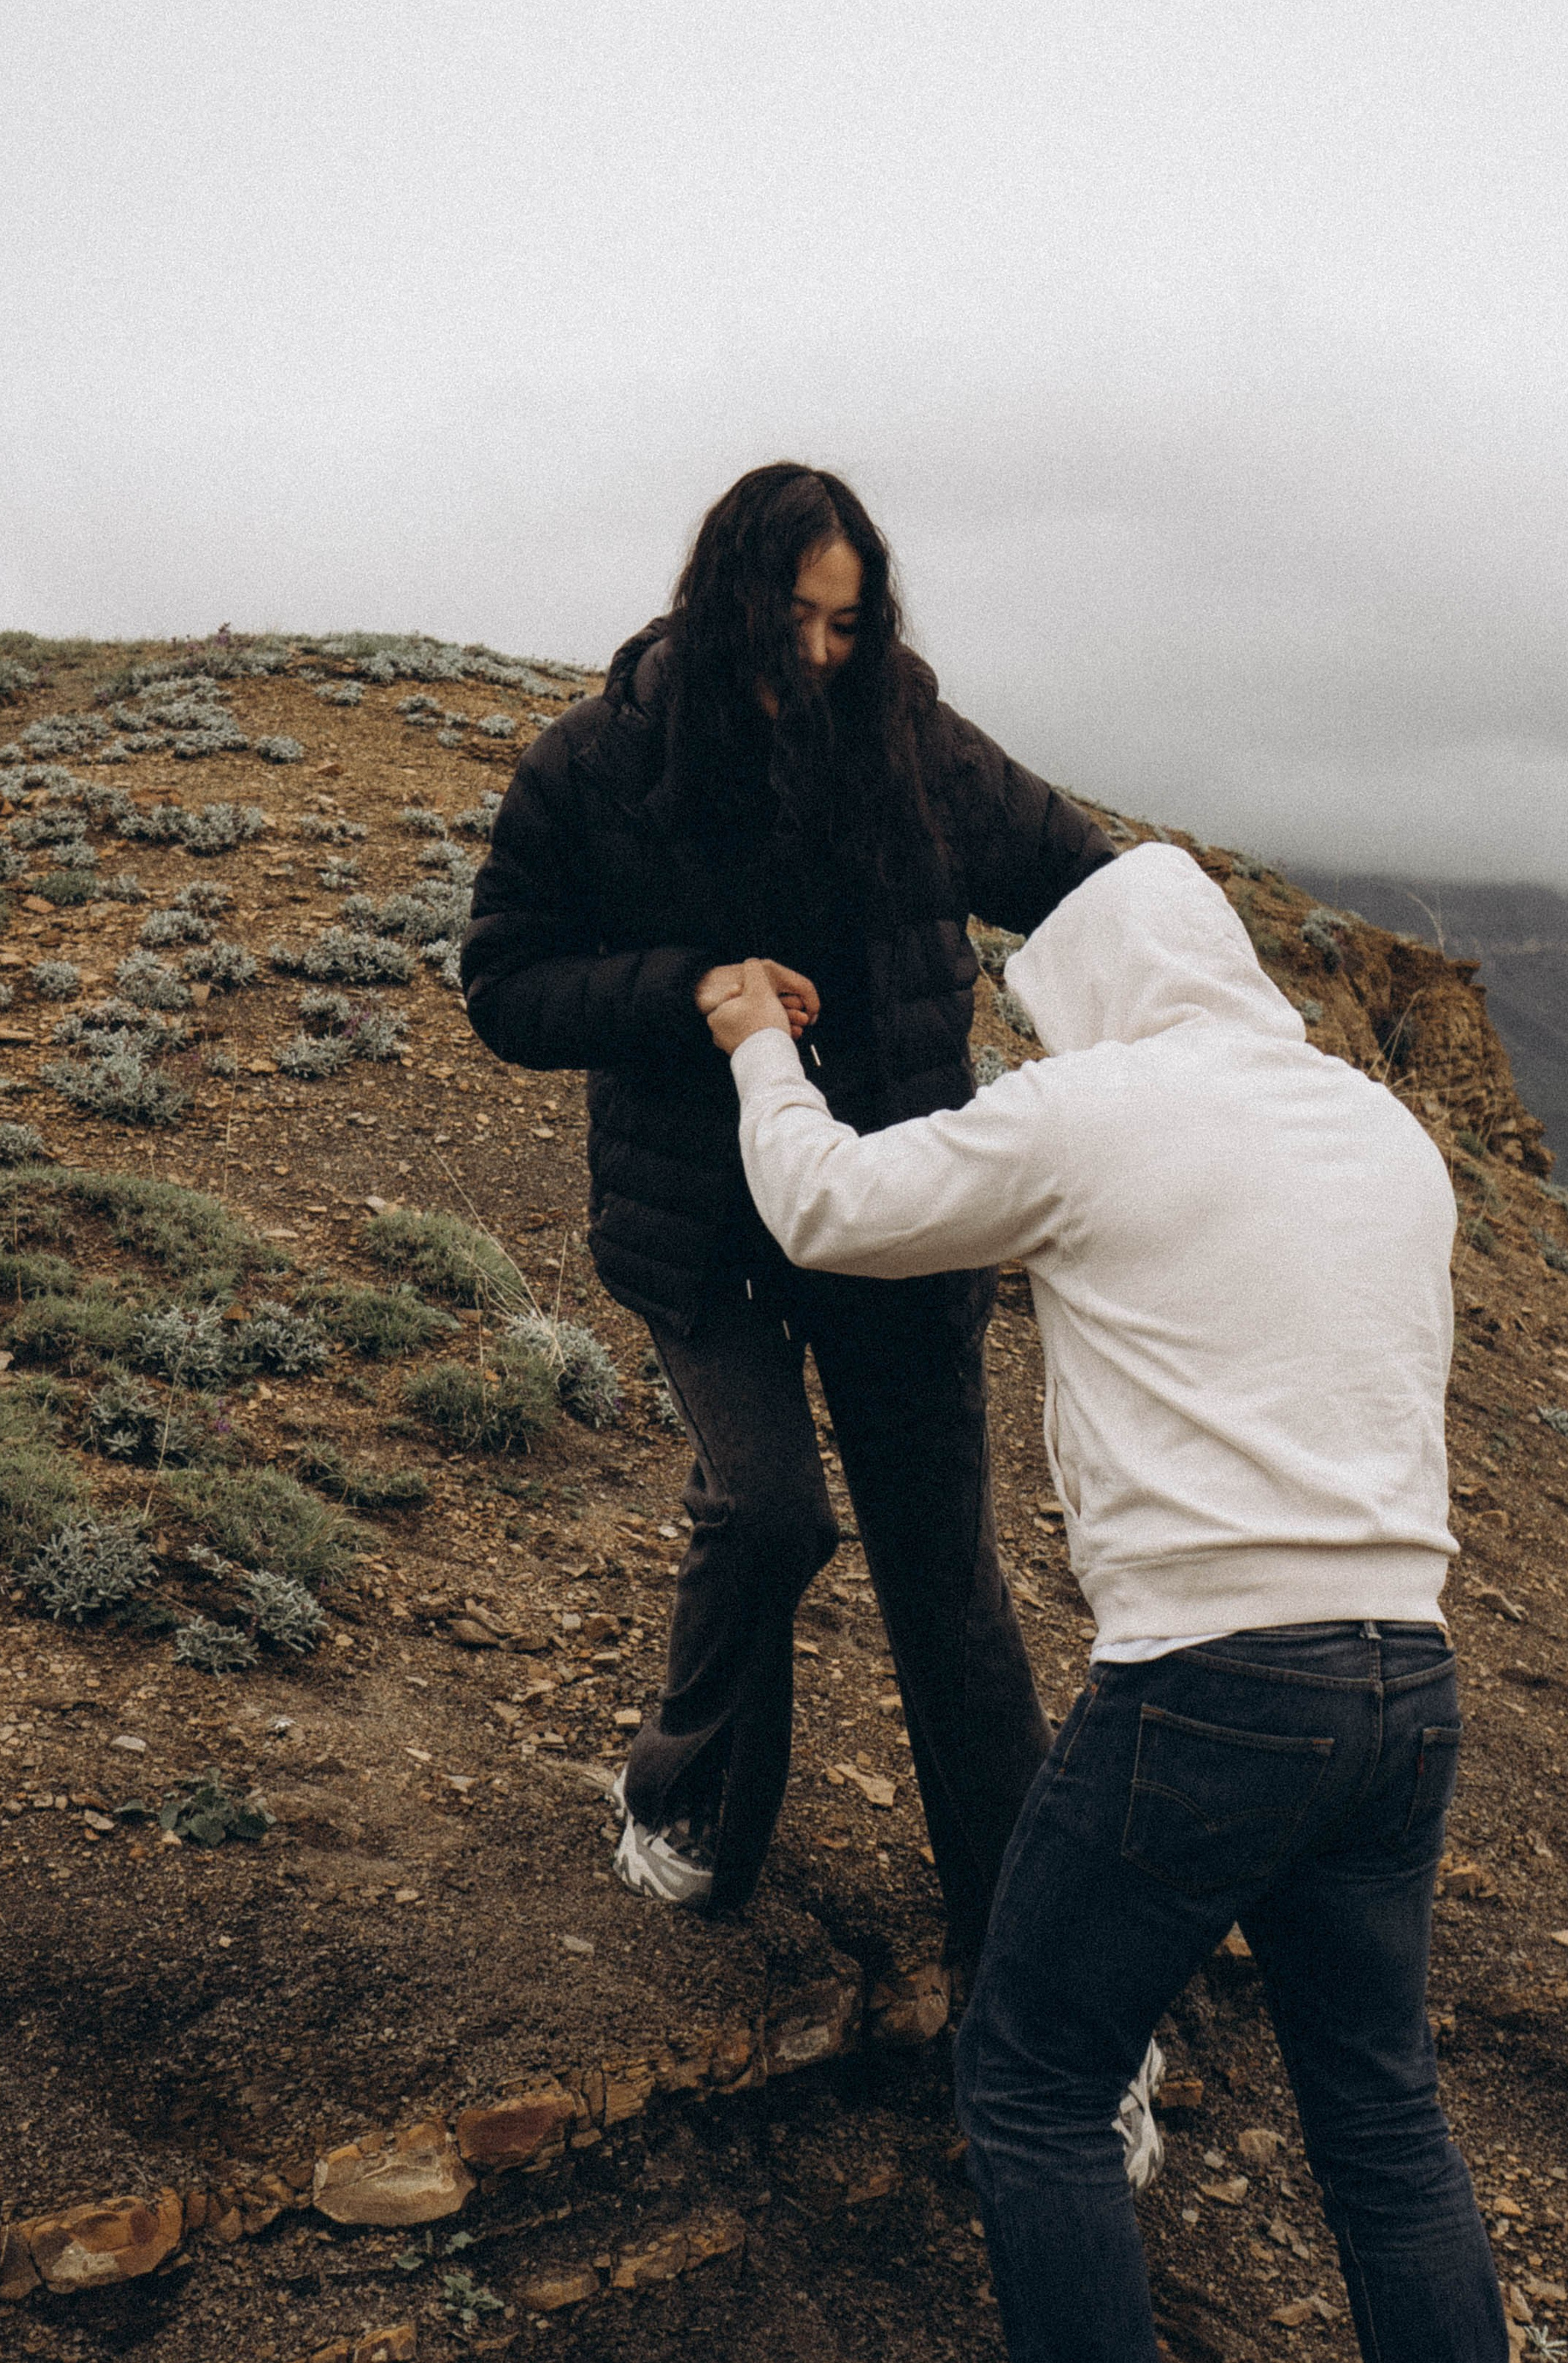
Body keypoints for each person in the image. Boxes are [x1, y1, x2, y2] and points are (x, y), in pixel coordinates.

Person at [702, 846, 1534, 2363]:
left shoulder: (1091, 1112)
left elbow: (829, 1210)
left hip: (1213, 1683)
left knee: (1030, 2074)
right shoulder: (1383, 1136)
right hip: (1404, 1676)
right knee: (1379, 2108)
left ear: (1078, 994)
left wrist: (746, 1041)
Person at [459, 462, 1112, 1966]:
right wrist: (686, 987)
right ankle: (685, 1808)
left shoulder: (915, 744)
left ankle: (1014, 1963)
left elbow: (1082, 881)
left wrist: (1200, 1039)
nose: (819, 659)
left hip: (899, 1225)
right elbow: (503, 983)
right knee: (766, 1514)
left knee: (944, 1585)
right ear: (720, 606)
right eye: (793, 625)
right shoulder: (596, 766)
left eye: (846, 626)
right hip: (703, 1227)